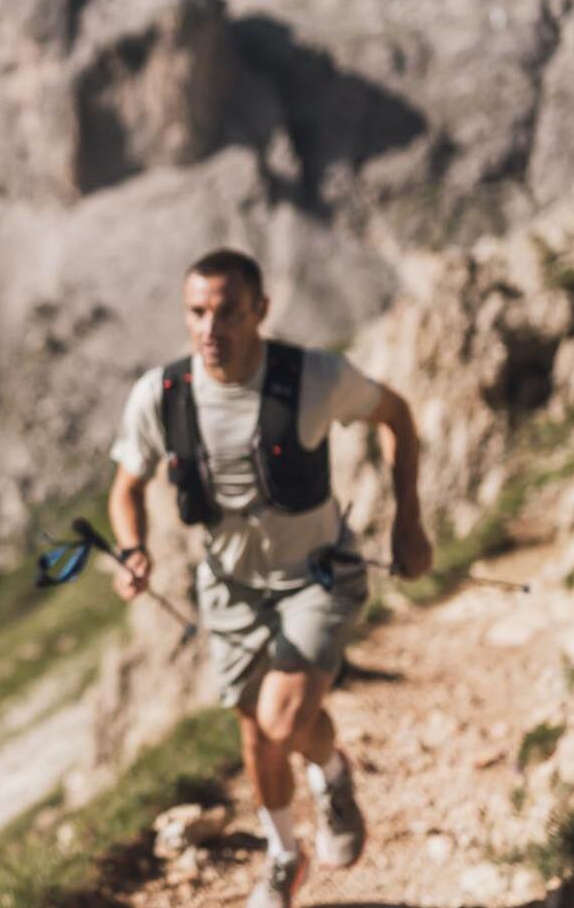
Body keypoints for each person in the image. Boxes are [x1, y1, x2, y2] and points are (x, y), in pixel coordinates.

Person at [109, 249, 432, 908]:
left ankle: (303, 824)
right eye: (197, 312)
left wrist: (408, 522)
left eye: (228, 312)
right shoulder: (162, 395)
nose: (210, 328)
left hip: (318, 576)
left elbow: (396, 415)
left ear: (261, 310)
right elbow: (126, 486)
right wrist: (132, 549)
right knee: (259, 730)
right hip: (228, 588)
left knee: (280, 714)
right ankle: (299, 829)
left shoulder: (312, 377)